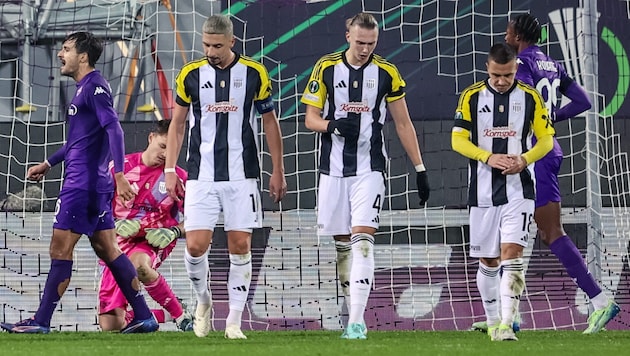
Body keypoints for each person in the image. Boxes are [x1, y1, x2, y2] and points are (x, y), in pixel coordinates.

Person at [0, 32, 157, 334]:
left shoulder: (95, 87)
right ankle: (144, 316)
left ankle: (41, 322)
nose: (61, 54)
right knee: (108, 249)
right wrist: (48, 163)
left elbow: (115, 130)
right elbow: (77, 141)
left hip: (81, 185)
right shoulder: (85, 88)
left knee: (60, 251)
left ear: (83, 57)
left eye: (67, 49)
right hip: (92, 185)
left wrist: (121, 174)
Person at [301, 12, 431, 340]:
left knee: (363, 241)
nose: (364, 49)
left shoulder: (387, 72)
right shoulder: (326, 68)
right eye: (360, 42)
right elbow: (310, 119)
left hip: (369, 169)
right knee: (343, 244)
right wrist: (331, 125)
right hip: (332, 170)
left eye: (371, 43)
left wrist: (420, 169)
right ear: (347, 36)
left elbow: (403, 123)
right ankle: (351, 311)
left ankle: (357, 321)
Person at [164, 14, 287, 340]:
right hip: (200, 176)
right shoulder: (190, 74)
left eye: (217, 45)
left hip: (241, 176)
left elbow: (270, 123)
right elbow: (176, 125)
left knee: (240, 245)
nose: (211, 50)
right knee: (194, 246)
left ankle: (233, 320)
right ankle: (204, 302)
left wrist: (278, 169)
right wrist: (169, 170)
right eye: (206, 44)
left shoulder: (254, 73)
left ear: (232, 42)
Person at [504, 13, 620, 334]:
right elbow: (582, 100)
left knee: (550, 232)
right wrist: (554, 115)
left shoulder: (522, 64)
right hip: (547, 150)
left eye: (508, 30)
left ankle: (598, 301)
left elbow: (525, 102)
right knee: (519, 229)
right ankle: (507, 311)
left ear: (516, 35)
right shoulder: (552, 64)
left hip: (533, 155)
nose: (505, 33)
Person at [452, 42, 555, 341]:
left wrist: (524, 159)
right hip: (482, 192)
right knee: (488, 260)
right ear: (487, 68)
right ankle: (493, 319)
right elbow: (457, 141)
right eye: (496, 75)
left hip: (519, 190)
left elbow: (546, 139)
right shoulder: (471, 97)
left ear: (515, 70)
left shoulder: (531, 97)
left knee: (512, 254)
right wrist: (488, 157)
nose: (501, 80)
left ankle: (507, 325)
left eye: (507, 75)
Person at [98, 119, 193, 332]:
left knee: (139, 266)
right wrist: (114, 224)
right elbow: (95, 208)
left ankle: (181, 317)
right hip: (116, 243)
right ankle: (167, 311)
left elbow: (196, 220)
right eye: (162, 146)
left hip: (152, 241)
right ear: (151, 138)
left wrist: (173, 231)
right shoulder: (119, 169)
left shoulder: (179, 178)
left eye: (172, 150)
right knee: (111, 325)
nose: (165, 154)